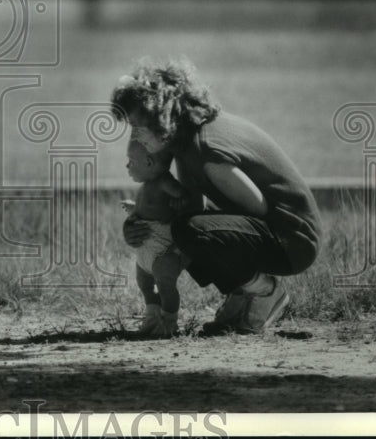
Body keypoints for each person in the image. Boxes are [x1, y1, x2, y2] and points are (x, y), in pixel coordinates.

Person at [111, 57, 322, 336]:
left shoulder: (208, 151)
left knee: (190, 231)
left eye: (138, 127)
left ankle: (264, 292)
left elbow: (258, 207)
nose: (136, 138)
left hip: (293, 242)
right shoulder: (188, 141)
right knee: (187, 228)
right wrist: (141, 225)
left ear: (161, 116)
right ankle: (244, 292)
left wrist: (218, 239)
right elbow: (191, 209)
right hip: (274, 234)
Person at [121, 138, 195, 338]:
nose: (127, 165)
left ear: (148, 163)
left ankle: (169, 321)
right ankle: (152, 314)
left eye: (131, 161)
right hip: (147, 247)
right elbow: (150, 208)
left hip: (163, 246)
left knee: (165, 284)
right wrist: (134, 210)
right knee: (144, 281)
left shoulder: (164, 181)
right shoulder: (148, 184)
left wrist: (181, 201)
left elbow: (184, 197)